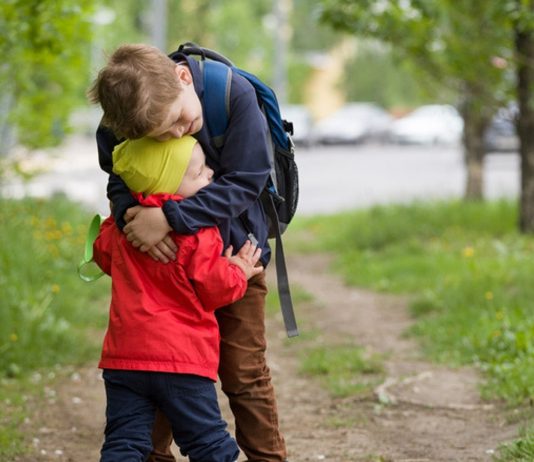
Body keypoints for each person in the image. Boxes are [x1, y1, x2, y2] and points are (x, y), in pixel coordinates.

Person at [89, 44, 288, 462]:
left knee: (243, 372)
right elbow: (120, 181)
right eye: (159, 136)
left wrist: (169, 219)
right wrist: (130, 215)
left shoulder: (231, 96)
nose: (178, 134)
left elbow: (246, 179)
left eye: (177, 120)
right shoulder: (119, 123)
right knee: (161, 367)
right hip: (160, 267)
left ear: (182, 79)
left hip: (236, 259)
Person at [93, 135, 263, 462]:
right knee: (209, 443)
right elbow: (215, 289)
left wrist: (110, 226)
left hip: (124, 360)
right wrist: (239, 270)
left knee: (124, 442)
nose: (211, 174)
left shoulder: (126, 227)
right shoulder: (198, 231)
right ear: (170, 183)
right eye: (199, 173)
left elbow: (103, 255)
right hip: (182, 359)